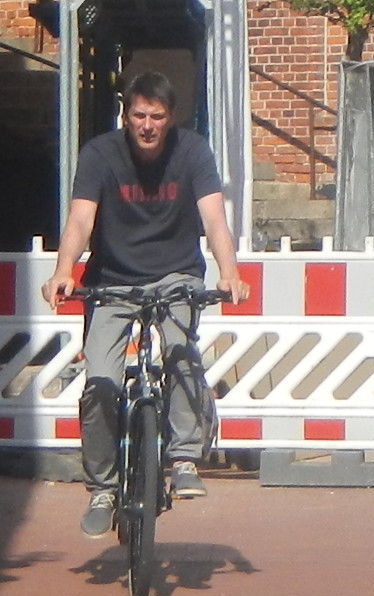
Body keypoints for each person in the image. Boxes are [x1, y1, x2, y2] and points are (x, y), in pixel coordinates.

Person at [44, 72, 242, 537]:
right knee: (101, 382)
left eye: (156, 116)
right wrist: (64, 269)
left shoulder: (192, 151)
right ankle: (102, 488)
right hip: (113, 279)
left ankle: (185, 459)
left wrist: (229, 271)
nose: (147, 125)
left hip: (176, 275)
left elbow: (214, 218)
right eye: (138, 115)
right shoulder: (100, 154)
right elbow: (80, 219)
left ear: (171, 118)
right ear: (125, 115)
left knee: (180, 354)